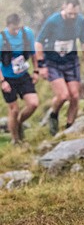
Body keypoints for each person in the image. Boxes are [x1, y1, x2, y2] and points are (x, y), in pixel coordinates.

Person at [35, 0, 84, 135]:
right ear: (64, 7)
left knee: (74, 95)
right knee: (63, 95)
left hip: (71, 60)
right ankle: (53, 115)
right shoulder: (53, 21)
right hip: (53, 61)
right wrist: (41, 65)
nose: (72, 16)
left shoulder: (80, 21)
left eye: (75, 14)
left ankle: (69, 126)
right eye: (69, 13)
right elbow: (39, 42)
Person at [0, 14, 39, 143]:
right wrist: (2, 81)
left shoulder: (26, 33)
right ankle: (15, 140)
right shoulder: (2, 39)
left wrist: (36, 71)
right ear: (7, 27)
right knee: (14, 109)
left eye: (17, 28)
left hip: (23, 75)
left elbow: (33, 53)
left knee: (33, 103)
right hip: (7, 78)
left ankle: (19, 123)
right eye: (13, 29)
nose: (16, 32)